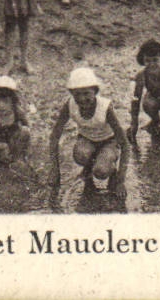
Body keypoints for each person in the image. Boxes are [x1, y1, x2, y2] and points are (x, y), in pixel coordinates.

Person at [47, 66, 127, 207]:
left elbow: (125, 144)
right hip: (87, 140)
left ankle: (112, 170)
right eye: (77, 94)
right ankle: (88, 171)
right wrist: (55, 170)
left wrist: (121, 180)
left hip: (109, 142)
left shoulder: (105, 107)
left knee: (101, 171)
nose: (82, 99)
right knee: (80, 155)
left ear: (95, 91)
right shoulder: (70, 105)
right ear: (72, 94)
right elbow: (54, 136)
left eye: (86, 94)